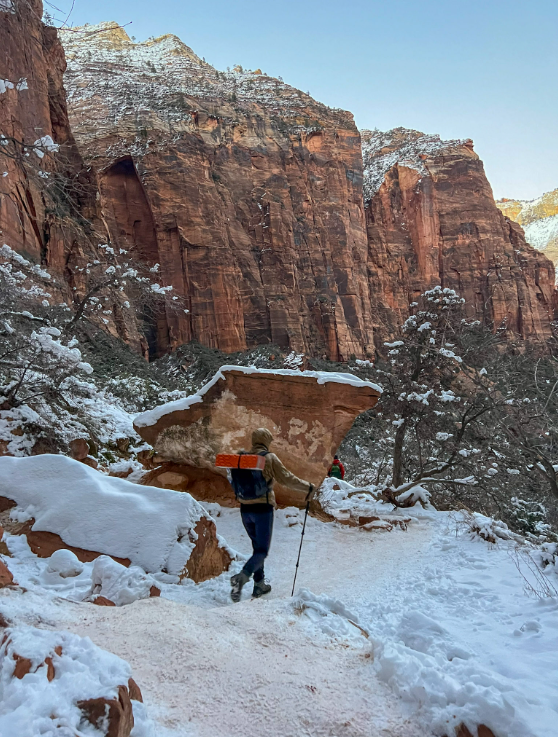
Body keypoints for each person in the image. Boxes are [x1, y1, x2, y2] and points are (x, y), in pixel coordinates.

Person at [229, 427, 314, 602]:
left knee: (256, 548)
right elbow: (287, 478)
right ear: (266, 441)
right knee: (262, 551)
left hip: (245, 510)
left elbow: (232, 480)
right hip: (263, 509)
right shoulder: (269, 458)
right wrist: (308, 487)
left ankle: (259, 585)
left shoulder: (240, 459)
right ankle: (242, 577)